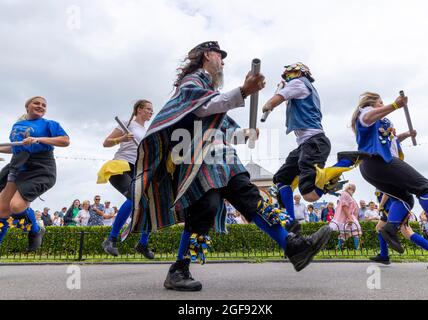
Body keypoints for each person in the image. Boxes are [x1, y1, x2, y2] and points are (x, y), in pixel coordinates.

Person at [130, 41, 332, 292]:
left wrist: (245, 133)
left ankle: (293, 247)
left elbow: (224, 128)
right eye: (219, 56)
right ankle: (179, 268)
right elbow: (205, 107)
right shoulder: (192, 82)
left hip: (224, 159)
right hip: (197, 156)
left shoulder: (213, 92)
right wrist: (244, 90)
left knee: (250, 198)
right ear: (206, 56)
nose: (223, 61)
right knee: (207, 206)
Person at [352, 92, 428, 269]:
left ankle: (389, 229)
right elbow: (367, 116)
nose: (382, 105)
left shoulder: (379, 125)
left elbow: (393, 141)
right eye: (380, 103)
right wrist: (394, 105)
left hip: (372, 166)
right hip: (380, 161)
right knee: (424, 187)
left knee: (405, 198)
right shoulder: (366, 113)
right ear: (372, 104)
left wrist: (406, 133)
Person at [261, 62, 368, 223]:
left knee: (309, 194)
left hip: (314, 142)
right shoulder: (302, 87)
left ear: (300, 73)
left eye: (289, 74)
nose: (286, 77)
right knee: (281, 179)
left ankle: (346, 160)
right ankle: (291, 221)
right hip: (305, 144)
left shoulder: (299, 83)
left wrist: (270, 103)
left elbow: (272, 102)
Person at [0, 96, 70, 251]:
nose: (40, 106)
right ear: (27, 107)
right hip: (17, 165)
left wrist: (39, 139)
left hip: (40, 167)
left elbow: (65, 141)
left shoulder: (49, 124)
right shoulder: (17, 125)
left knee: (16, 206)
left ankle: (35, 230)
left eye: (44, 105)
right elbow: (15, 147)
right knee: (2, 211)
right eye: (36, 103)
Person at [100, 100, 155, 259]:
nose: (151, 112)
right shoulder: (127, 124)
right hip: (121, 167)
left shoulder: (147, 131)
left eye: (152, 110)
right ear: (139, 109)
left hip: (138, 170)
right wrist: (122, 139)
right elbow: (106, 143)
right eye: (148, 109)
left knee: (149, 205)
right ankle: (111, 239)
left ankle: (143, 244)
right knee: (134, 199)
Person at [330, 183, 362, 250]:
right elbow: (344, 206)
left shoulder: (347, 195)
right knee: (355, 233)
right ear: (349, 188)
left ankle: (339, 249)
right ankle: (355, 250)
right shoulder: (345, 194)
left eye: (354, 190)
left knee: (347, 234)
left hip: (349, 216)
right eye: (353, 189)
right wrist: (350, 218)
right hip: (347, 217)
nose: (353, 191)